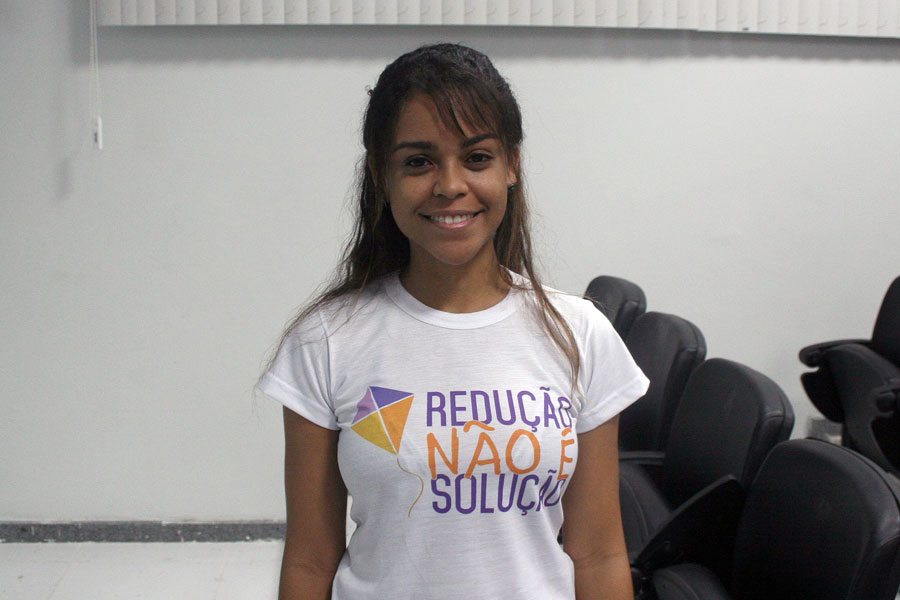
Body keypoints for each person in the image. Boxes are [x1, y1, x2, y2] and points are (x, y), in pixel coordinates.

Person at [258, 43, 649, 600]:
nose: (449, 185)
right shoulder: (326, 342)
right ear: (382, 174)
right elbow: (309, 561)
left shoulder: (579, 334)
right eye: (418, 162)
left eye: (477, 157)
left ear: (512, 165)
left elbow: (599, 555)